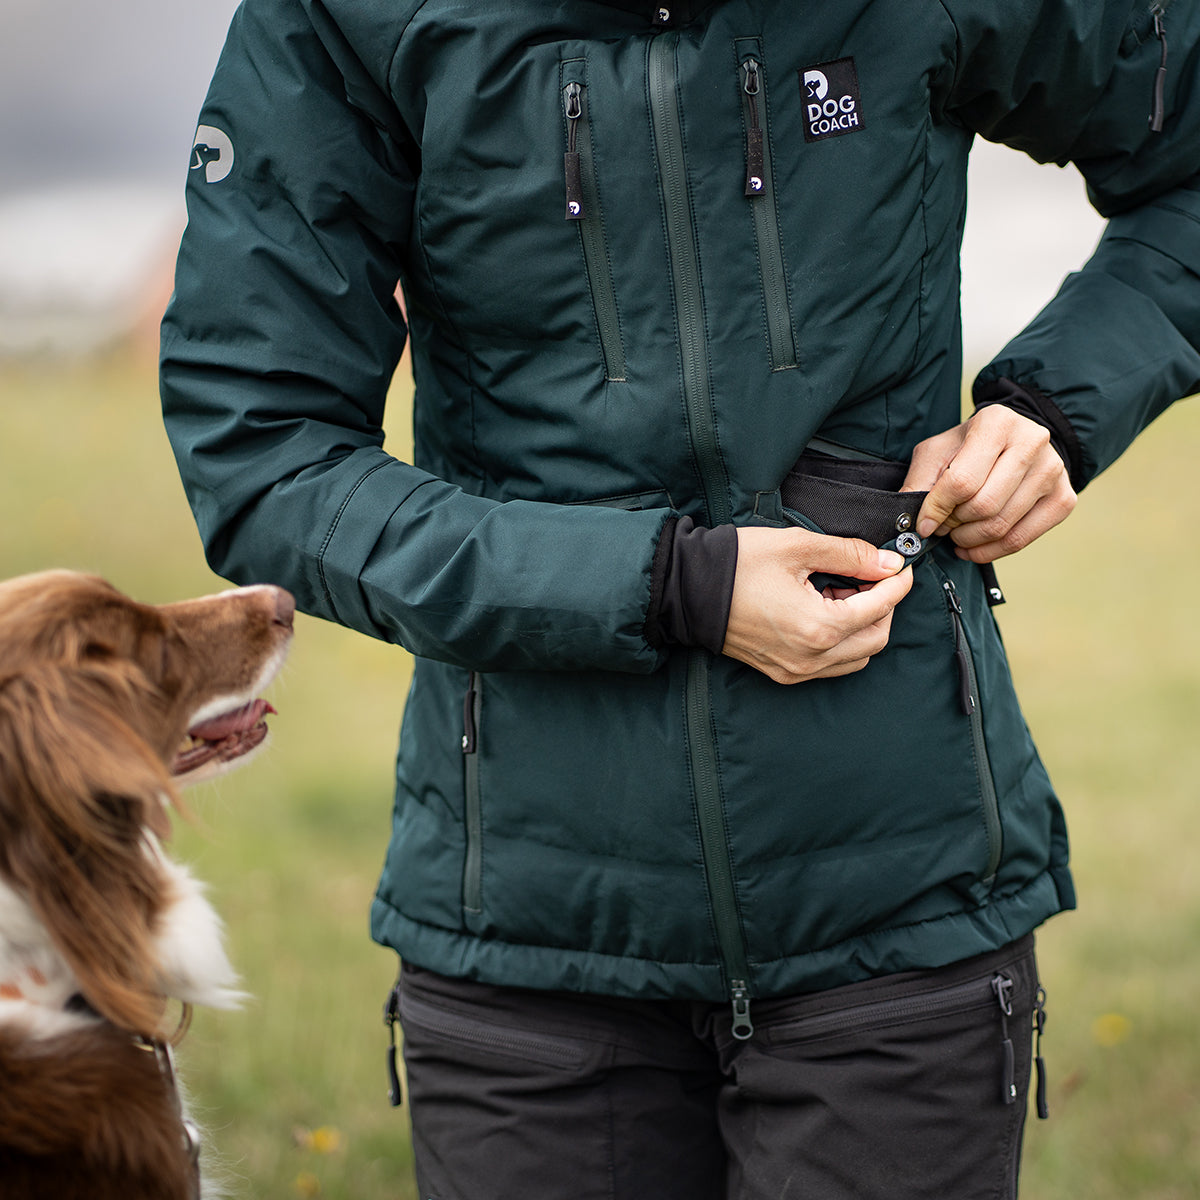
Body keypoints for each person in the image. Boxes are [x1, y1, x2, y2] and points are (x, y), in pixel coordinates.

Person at [160, 3, 1200, 1197]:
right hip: (530, 951)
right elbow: (263, 450)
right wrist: (669, 586)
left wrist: (1059, 405)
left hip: (899, 915)